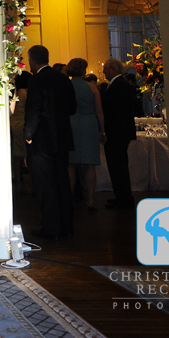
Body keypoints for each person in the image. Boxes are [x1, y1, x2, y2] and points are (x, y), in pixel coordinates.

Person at [23, 45, 77, 239]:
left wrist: (28, 134)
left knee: (45, 186)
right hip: (62, 138)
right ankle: (66, 227)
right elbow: (72, 108)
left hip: (42, 140)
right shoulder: (63, 78)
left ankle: (51, 228)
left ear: (33, 61)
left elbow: (34, 110)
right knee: (62, 182)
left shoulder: (36, 80)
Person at [66, 58, 106, 211]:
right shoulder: (93, 87)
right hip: (89, 124)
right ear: (84, 70)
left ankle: (69, 199)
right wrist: (102, 130)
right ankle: (91, 201)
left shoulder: (66, 86)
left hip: (71, 124)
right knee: (89, 165)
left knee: (71, 165)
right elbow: (99, 111)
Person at [101, 58, 138, 209]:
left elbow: (113, 109)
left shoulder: (118, 85)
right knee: (118, 165)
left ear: (113, 69)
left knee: (118, 166)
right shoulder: (119, 84)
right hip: (120, 131)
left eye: (106, 68)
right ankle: (121, 196)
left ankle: (124, 199)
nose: (103, 71)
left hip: (117, 132)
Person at [10, 70, 32, 194]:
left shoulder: (15, 92)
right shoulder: (27, 93)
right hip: (25, 123)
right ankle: (33, 184)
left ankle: (19, 183)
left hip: (15, 124)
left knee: (17, 156)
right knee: (29, 154)